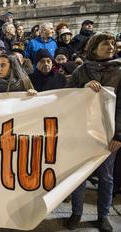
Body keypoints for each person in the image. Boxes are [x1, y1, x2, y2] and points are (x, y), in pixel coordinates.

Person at [65, 33, 121, 232]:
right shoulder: (82, 70)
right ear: (94, 47)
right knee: (80, 175)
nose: (111, 47)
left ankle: (103, 216)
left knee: (106, 178)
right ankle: (76, 213)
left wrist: (119, 135)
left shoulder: (119, 71)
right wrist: (83, 88)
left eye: (113, 44)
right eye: (106, 43)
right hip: (83, 131)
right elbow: (66, 95)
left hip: (108, 134)